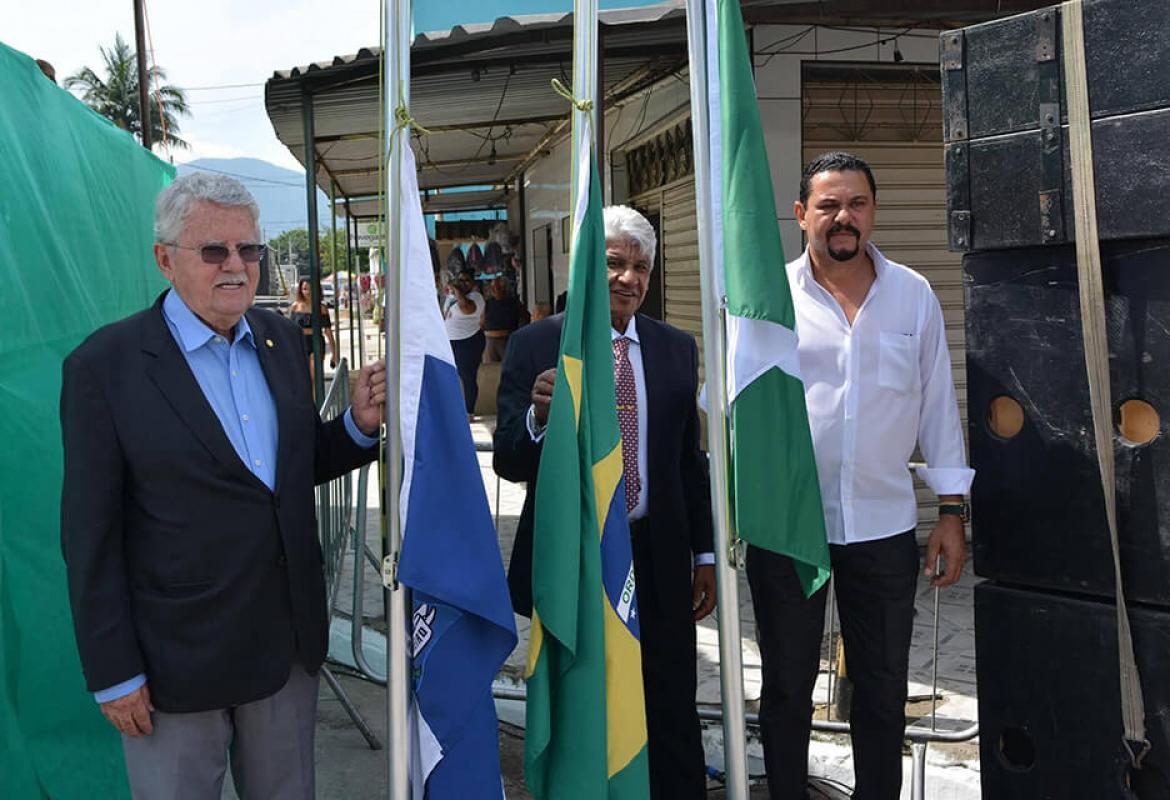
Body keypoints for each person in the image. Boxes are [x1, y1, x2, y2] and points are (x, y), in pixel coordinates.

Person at [59, 172, 385, 799]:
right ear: (165, 259)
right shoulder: (105, 368)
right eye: (214, 251)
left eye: (249, 250)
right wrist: (113, 671)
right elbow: (88, 534)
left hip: (284, 646)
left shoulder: (281, 340)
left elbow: (286, 471)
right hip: (174, 664)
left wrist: (356, 427)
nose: (236, 266)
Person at [747, 151, 974, 800]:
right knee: (788, 685)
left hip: (882, 524)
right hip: (790, 527)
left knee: (880, 686)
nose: (842, 217)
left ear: (873, 212)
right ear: (800, 215)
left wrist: (952, 513)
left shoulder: (913, 296)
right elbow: (733, 405)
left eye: (856, 204)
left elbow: (937, 409)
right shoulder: (769, 300)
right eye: (827, 205)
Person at [494, 205, 715, 799]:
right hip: (579, 559)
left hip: (658, 557)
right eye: (615, 263)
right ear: (587, 265)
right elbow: (509, 460)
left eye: (641, 266)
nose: (629, 278)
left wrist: (706, 554)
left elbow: (688, 463)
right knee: (586, 703)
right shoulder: (537, 343)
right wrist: (540, 419)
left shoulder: (675, 348)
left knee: (669, 704)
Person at [444, 267, 486, 417]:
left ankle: (469, 411)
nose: (462, 283)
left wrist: (457, 290)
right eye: (460, 280)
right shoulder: (452, 297)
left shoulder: (476, 297)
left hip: (468, 341)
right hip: (451, 341)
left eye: (466, 281)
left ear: (473, 283)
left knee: (467, 377)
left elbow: (466, 308)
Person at [289, 277, 338, 397]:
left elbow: (328, 331)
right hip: (299, 343)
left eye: (311, 289)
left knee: (314, 376)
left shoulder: (321, 308)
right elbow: (289, 329)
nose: (308, 292)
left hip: (315, 341)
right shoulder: (295, 307)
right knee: (301, 377)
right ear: (300, 290)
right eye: (305, 288)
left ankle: (315, 406)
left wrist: (334, 352)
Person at [481, 275, 526, 363]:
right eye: (492, 287)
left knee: (509, 368)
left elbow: (524, 319)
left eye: (496, 287)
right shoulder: (488, 303)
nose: (493, 289)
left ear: (503, 288)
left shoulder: (513, 303)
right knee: (490, 371)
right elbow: (481, 322)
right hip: (490, 341)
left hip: (507, 340)